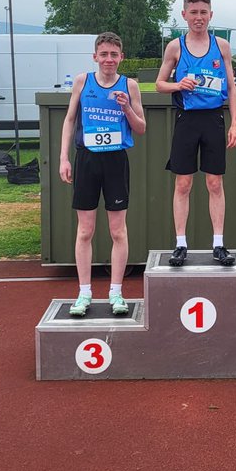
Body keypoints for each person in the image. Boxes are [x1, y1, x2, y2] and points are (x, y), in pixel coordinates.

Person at [59, 32, 146, 317]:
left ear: (121, 58)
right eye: (104, 54)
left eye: (114, 55)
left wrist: (126, 108)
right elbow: (70, 119)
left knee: (117, 230)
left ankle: (116, 292)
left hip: (115, 161)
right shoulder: (83, 82)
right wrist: (64, 157)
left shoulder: (129, 85)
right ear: (95, 56)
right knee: (85, 230)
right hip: (86, 160)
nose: (109, 60)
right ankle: (84, 293)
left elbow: (141, 126)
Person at [156, 0, 236, 266]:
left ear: (211, 15)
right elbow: (159, 84)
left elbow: (231, 86)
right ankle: (180, 244)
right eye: (193, 12)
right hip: (187, 120)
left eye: (203, 12)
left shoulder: (222, 46)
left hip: (214, 119)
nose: (199, 17)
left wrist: (235, 122)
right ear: (184, 15)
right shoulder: (175, 47)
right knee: (183, 183)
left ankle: (219, 243)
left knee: (215, 183)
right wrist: (178, 84)